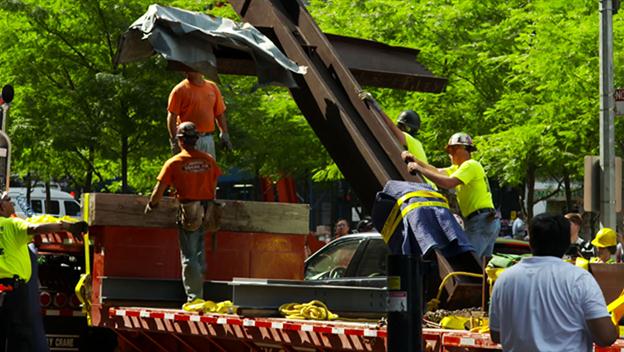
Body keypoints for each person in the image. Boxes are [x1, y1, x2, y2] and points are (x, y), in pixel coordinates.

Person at [489, 213, 618, 351]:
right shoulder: (579, 279)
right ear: (567, 242)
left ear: (531, 242)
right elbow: (605, 337)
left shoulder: (504, 280)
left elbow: (496, 334)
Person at [145, 122, 222, 309]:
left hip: (190, 210)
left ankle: (195, 298)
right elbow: (214, 183)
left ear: (180, 140)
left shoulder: (174, 163)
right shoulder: (208, 160)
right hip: (209, 209)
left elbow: (159, 190)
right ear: (195, 140)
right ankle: (201, 292)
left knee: (189, 256)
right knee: (200, 251)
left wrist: (152, 205)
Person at [0, 191, 88, 351]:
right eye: (9, 201)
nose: (12, 205)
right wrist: (66, 226)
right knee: (19, 335)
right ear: (1, 207)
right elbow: (36, 228)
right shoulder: (12, 225)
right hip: (13, 291)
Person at [403, 132, 500, 258]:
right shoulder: (459, 168)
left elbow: (448, 183)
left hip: (480, 221)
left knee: (468, 263)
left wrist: (418, 168)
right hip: (484, 220)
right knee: (479, 270)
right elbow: (436, 171)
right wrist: (414, 159)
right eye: (449, 150)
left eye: (454, 149)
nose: (451, 153)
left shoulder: (470, 165)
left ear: (466, 150)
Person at [167, 71, 232, 157]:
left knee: (207, 167)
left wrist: (224, 134)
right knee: (191, 168)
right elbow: (172, 117)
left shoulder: (212, 87)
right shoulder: (180, 90)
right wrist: (175, 141)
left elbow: (219, 113)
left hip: (207, 138)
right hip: (188, 140)